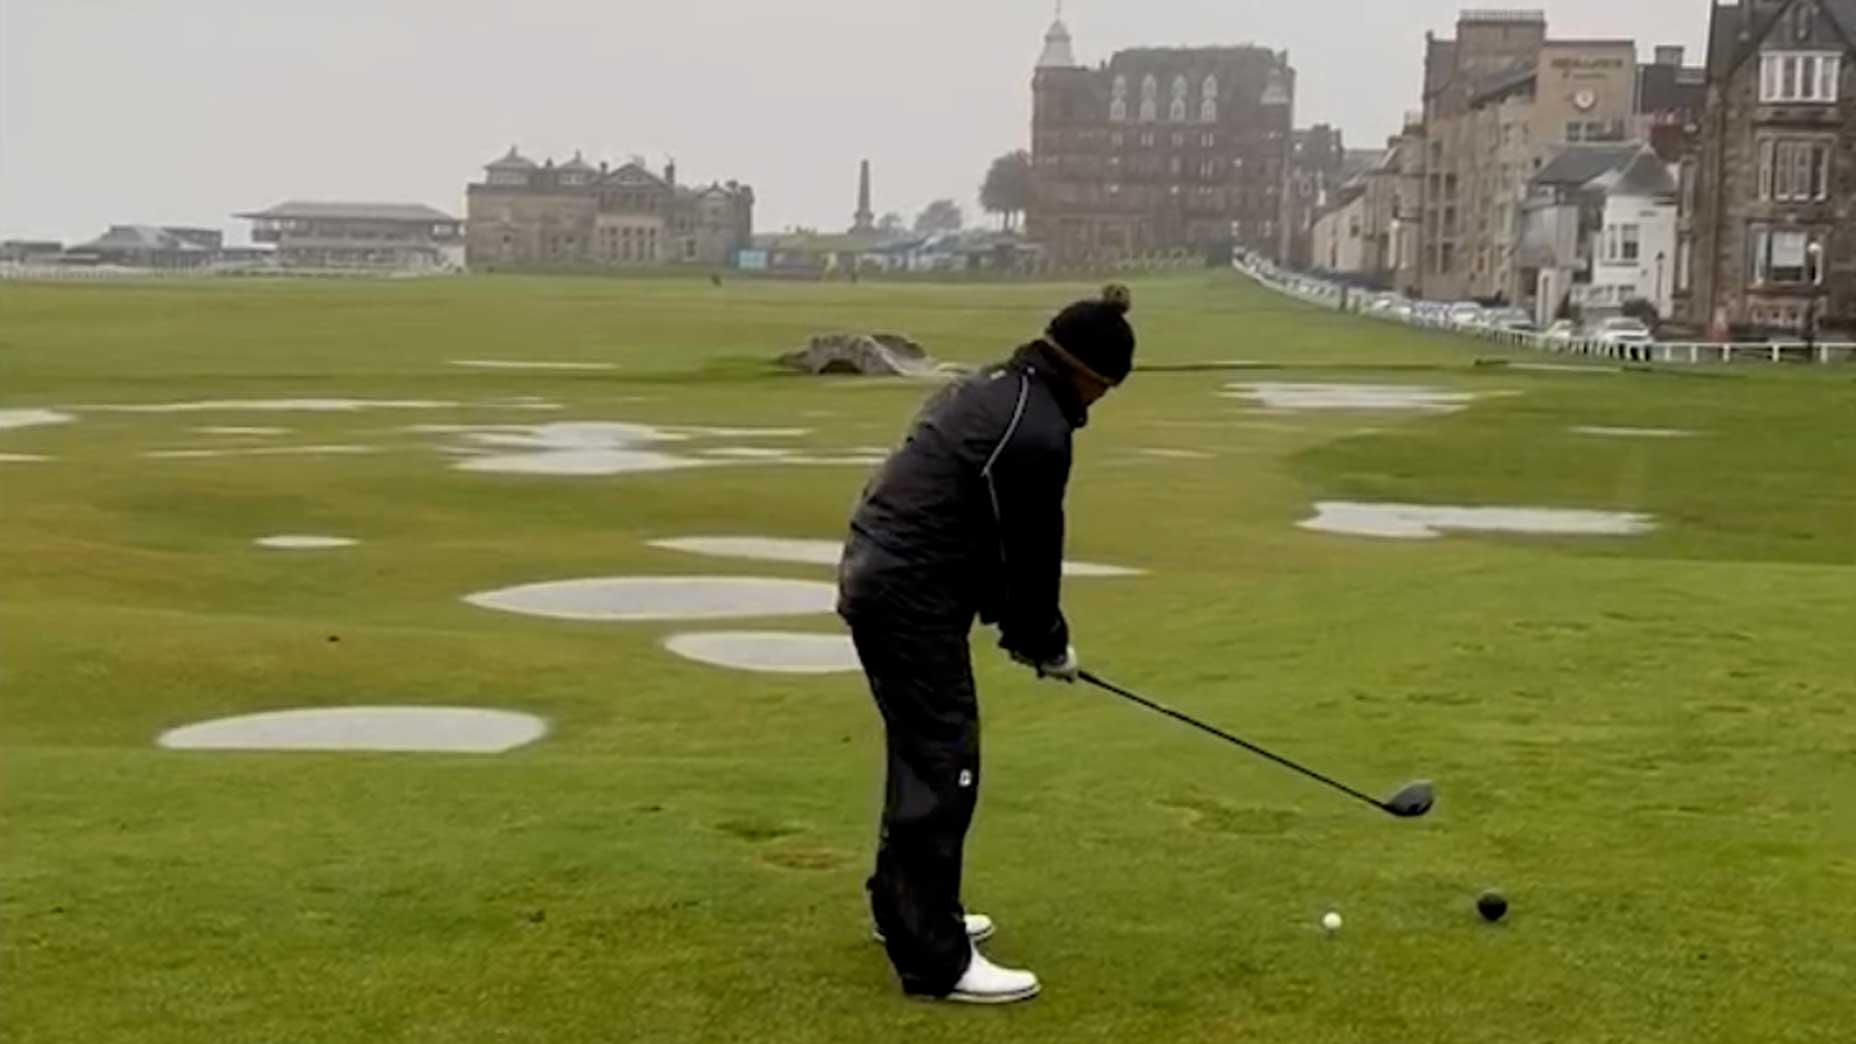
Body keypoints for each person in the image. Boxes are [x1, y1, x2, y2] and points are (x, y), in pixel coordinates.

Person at [837, 285, 1136, 1004]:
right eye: (1106, 389)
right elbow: (1033, 553)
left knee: (922, 756)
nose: (1098, 406)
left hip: (886, 578)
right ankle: (934, 961)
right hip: (908, 596)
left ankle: (907, 912)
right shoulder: (1037, 430)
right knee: (944, 763)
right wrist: (1043, 639)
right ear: (1092, 374)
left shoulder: (994, 390)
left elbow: (990, 535)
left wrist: (1020, 631)